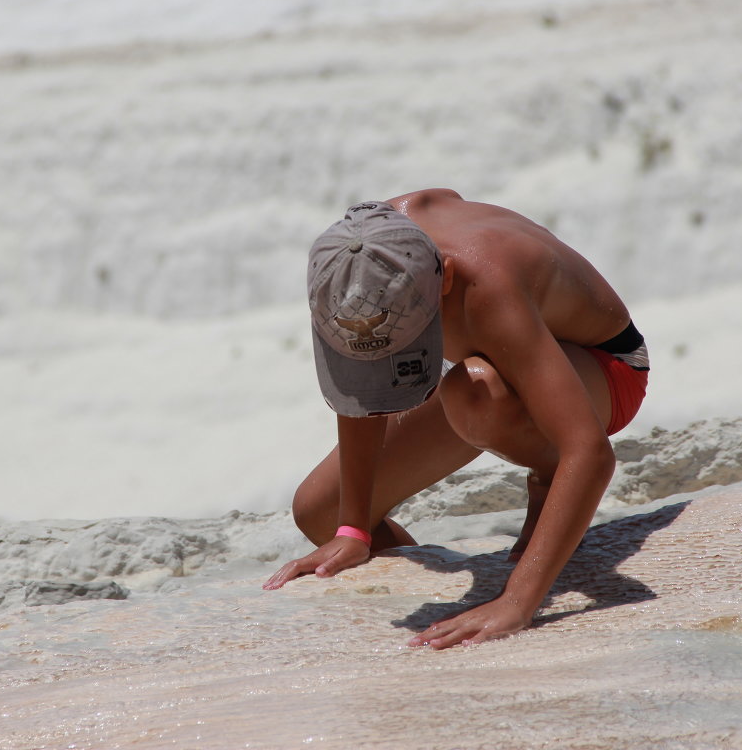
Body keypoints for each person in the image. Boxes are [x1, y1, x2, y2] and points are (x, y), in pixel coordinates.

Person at [262, 189, 649, 650]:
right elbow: (364, 386)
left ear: (443, 281)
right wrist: (353, 529)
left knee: (476, 392)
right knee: (319, 509)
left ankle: (547, 481)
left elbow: (588, 451)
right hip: (479, 352)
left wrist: (516, 602)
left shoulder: (486, 281)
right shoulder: (355, 261)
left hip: (601, 366)